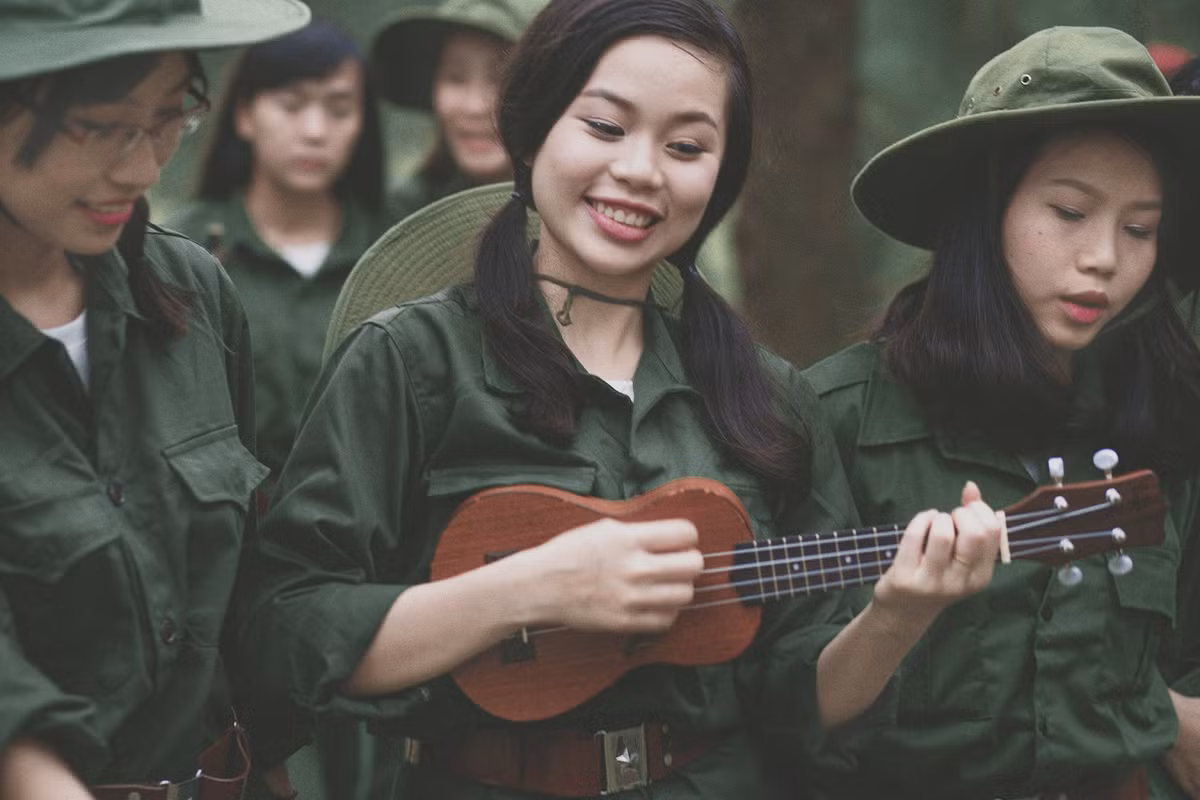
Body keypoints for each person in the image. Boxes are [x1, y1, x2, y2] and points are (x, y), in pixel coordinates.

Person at [234, 1, 1002, 798]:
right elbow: (281, 633)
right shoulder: (409, 361)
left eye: (686, 146)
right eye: (605, 127)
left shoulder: (765, 397)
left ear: (720, 176)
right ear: (532, 135)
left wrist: (897, 616)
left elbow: (800, 704)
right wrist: (528, 591)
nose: (641, 170)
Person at [804, 26, 1200, 799]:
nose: (1104, 259)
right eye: (1069, 211)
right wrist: (894, 616)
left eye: (1139, 228)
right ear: (987, 211)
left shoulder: (1170, 419)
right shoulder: (835, 416)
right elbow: (780, 712)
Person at [0, 0, 309, 798]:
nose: (142, 170)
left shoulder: (192, 292)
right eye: (99, 127)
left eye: (170, 117)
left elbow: (242, 598)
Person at [168, 18, 392, 800]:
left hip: (376, 586)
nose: (316, 128)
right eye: (292, 104)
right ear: (243, 113)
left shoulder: (399, 256)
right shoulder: (180, 259)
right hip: (224, 596)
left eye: (339, 107)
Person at [370, 0, 545, 221]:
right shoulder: (400, 216)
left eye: (500, 79)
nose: (475, 107)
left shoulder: (578, 225)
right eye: (455, 78)